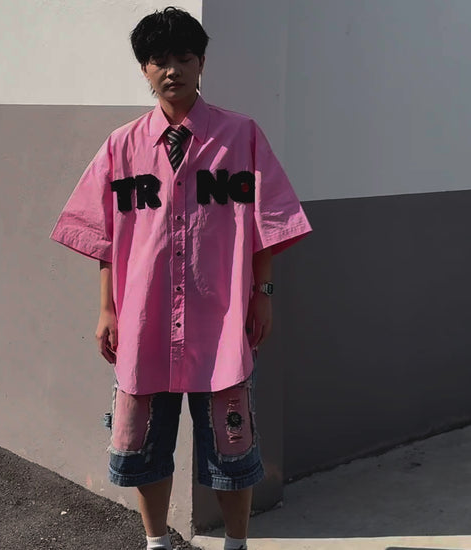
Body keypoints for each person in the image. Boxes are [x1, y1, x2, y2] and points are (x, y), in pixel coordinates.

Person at [50, 7, 311, 550]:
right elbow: (105, 235)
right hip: (144, 318)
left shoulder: (240, 137)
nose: (172, 70)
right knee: (143, 444)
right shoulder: (122, 147)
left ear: (201, 63)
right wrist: (107, 308)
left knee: (231, 449)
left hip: (220, 319)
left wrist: (262, 294)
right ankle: (157, 542)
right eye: (158, 60)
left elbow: (266, 222)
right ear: (144, 69)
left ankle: (236, 543)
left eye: (183, 58)